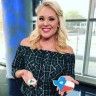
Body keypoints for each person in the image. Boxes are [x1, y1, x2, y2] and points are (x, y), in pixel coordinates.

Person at [12, 0, 79, 96]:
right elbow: (15, 69)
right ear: (37, 20)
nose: (45, 23)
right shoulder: (25, 44)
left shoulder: (67, 52)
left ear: (58, 22)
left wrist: (67, 83)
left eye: (51, 19)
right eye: (41, 18)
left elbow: (70, 80)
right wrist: (22, 73)